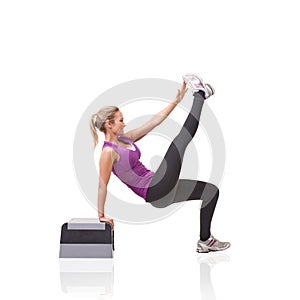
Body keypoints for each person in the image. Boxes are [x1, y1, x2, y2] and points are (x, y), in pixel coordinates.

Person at [90, 74, 230, 253]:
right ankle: (200, 95)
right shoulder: (108, 152)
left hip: (162, 188)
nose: (124, 123)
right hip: (155, 189)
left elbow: (154, 121)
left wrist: (176, 101)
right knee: (180, 141)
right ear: (109, 124)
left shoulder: (126, 139)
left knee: (210, 192)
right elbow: (102, 186)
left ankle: (205, 241)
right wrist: (101, 215)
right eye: (120, 120)